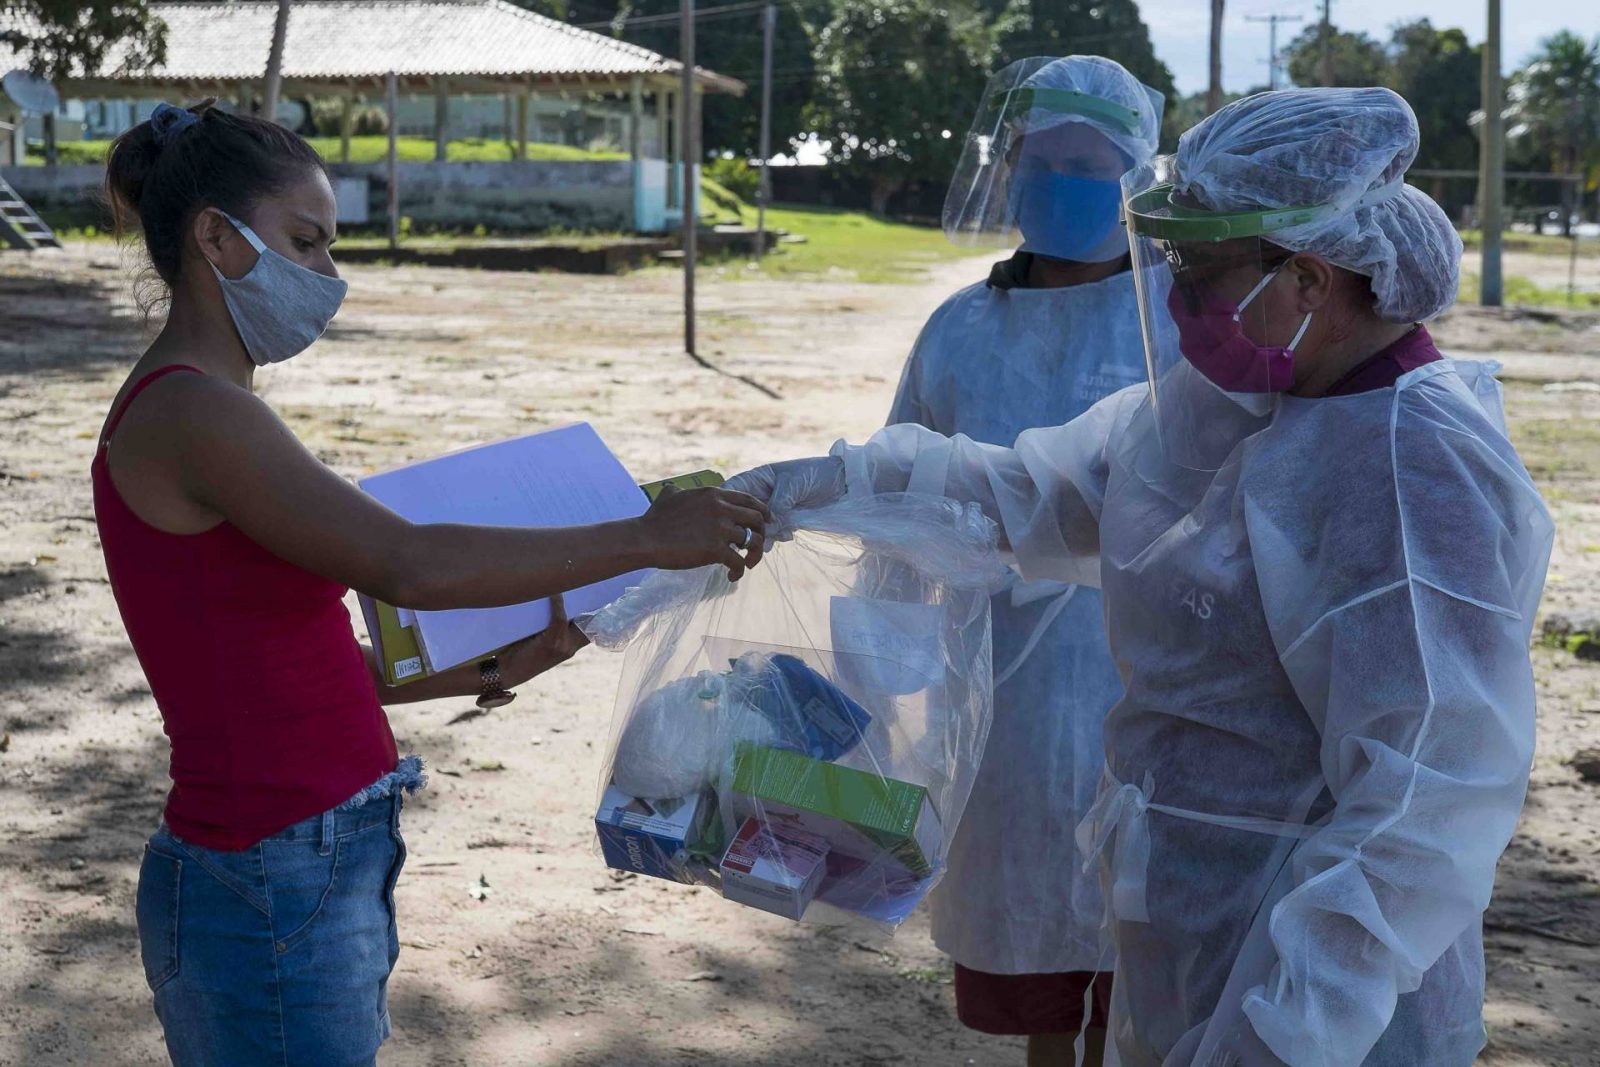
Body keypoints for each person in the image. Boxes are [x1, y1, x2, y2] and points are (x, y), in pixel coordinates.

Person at [731, 87, 1553, 1066]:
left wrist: (1284, 1032)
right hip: (1188, 920)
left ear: (1308, 275)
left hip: (1331, 1000)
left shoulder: (1415, 467)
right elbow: (1014, 490)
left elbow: (1426, 800)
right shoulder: (1228, 410)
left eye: (1200, 272)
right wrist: (794, 490)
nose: (1177, 302)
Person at [97, 100, 768, 1067]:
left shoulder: (209, 406)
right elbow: (408, 563)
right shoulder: (197, 413)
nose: (329, 278)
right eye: (307, 243)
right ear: (214, 237)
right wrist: (645, 535)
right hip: (271, 863)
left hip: (304, 850)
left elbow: (290, 663)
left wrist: (483, 666)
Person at [895, 54, 1162, 1067]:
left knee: (1147, 943)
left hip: (1145, 677)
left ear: (1136, 174)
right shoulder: (959, 328)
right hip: (997, 684)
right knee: (1036, 942)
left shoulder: (1177, 323)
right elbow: (903, 481)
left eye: (1085, 160)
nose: (1055, 179)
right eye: (1036, 157)